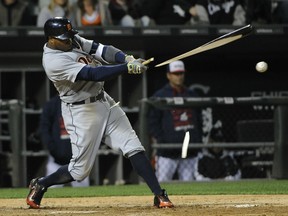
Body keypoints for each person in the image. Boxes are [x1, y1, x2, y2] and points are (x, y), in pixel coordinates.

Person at [26, 17, 173, 209]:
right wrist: (127, 68)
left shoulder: (72, 40)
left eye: (70, 36)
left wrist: (126, 58)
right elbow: (93, 73)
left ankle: (159, 194)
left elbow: (102, 50)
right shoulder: (53, 61)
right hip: (81, 112)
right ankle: (42, 183)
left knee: (133, 145)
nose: (69, 41)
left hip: (104, 100)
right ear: (51, 39)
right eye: (64, 38)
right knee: (79, 172)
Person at [148, 60, 202, 182]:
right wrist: (162, 141)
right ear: (169, 75)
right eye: (175, 73)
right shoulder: (160, 95)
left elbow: (199, 120)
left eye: (181, 73)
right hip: (167, 152)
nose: (179, 76)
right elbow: (153, 122)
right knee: (162, 184)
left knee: (189, 186)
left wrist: (197, 140)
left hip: (189, 151)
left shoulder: (192, 94)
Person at [39, 95, 89, 187]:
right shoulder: (52, 104)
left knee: (84, 193)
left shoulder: (81, 103)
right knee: (50, 193)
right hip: (56, 161)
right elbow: (44, 129)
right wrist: (52, 149)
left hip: (78, 162)